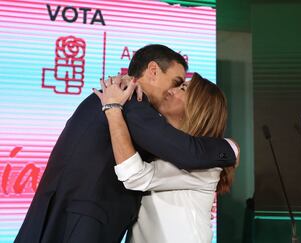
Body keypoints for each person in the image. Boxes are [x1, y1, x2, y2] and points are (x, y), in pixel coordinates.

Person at [15, 44, 237, 243]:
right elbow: (178, 156)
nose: (172, 90)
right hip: (81, 222)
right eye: (177, 82)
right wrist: (229, 151)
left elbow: (185, 152)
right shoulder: (129, 101)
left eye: (180, 87)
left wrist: (230, 149)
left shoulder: (125, 102)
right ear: (152, 71)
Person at [94, 72, 239, 243]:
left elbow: (133, 175)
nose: (171, 90)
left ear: (198, 107)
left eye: (182, 88)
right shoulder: (157, 148)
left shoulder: (205, 163)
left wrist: (112, 109)